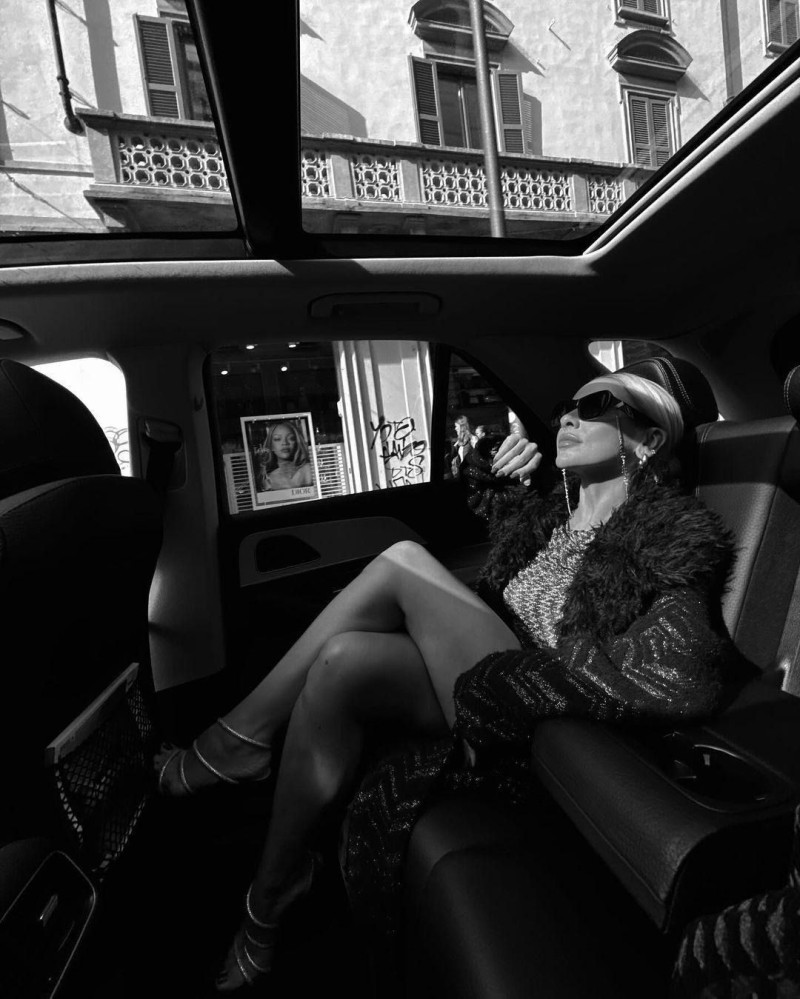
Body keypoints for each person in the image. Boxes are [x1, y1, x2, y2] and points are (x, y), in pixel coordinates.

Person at [155, 371, 752, 992]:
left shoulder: (667, 535)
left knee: (402, 561)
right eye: (566, 405)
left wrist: (544, 675)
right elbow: (494, 579)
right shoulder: (551, 515)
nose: (569, 418)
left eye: (597, 405)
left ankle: (233, 744)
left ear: (650, 439)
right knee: (342, 661)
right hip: (484, 678)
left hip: (533, 716)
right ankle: (272, 890)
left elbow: (681, 671)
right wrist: (499, 477)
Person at [257, 420, 313, 491]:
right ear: (271, 445)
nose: (285, 443)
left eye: (291, 438)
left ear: (297, 442)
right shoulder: (268, 479)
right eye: (277, 439)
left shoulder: (308, 470)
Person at [449, 415, 473, 479]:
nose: (455, 428)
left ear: (462, 427)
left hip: (469, 476)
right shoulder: (460, 442)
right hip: (463, 474)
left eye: (456, 426)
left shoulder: (471, 440)